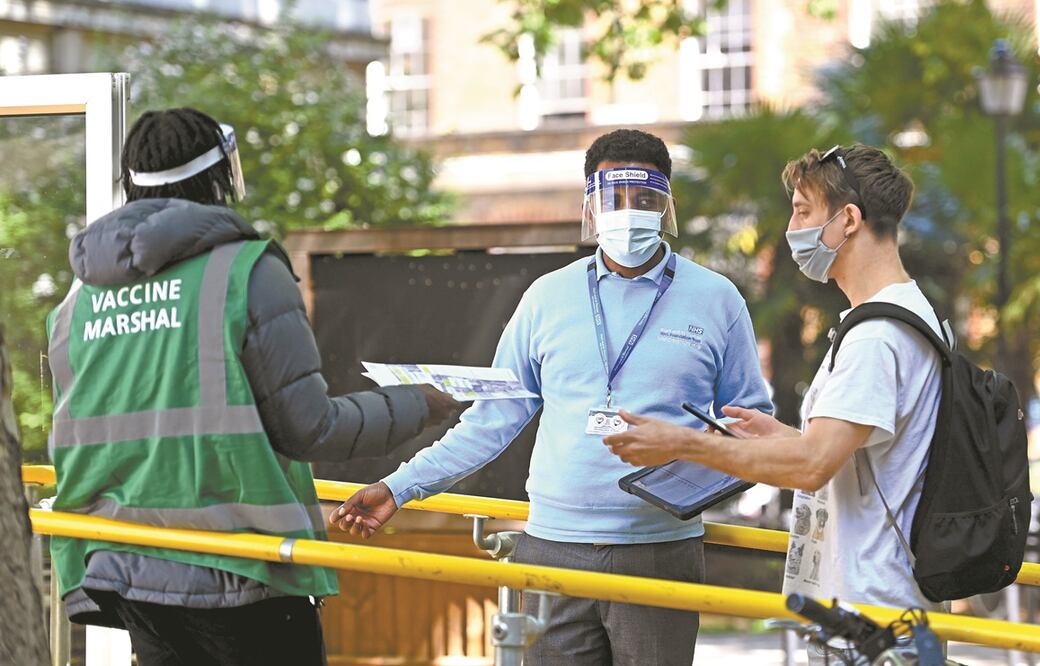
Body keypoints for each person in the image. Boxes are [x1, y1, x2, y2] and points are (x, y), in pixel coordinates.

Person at [330, 129, 773, 665]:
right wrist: (399, 487)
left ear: (665, 205)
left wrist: (690, 459)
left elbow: (753, 425)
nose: (629, 212)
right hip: (552, 545)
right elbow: (493, 419)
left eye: (645, 199)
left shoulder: (716, 298)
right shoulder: (547, 297)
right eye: (614, 199)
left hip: (659, 548)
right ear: (591, 204)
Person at [46, 107, 460, 666]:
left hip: (126, 569)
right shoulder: (245, 271)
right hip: (240, 568)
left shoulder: (80, 299)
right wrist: (421, 404)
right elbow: (311, 429)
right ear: (222, 178)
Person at [604, 144, 943, 664]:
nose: (792, 227)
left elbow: (812, 466)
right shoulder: (907, 315)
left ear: (848, 219)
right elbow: (853, 456)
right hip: (881, 611)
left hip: (873, 618)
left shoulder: (877, 337)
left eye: (803, 210)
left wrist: (681, 443)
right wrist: (781, 437)